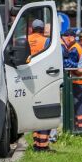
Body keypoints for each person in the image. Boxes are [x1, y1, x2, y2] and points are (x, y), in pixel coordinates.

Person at [28, 18, 52, 151]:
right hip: (43, 78)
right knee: (45, 110)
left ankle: (36, 142)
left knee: (34, 111)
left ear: (32, 29)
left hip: (28, 80)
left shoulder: (25, 39)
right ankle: (43, 145)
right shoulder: (46, 41)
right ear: (43, 30)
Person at [61, 29, 82, 133]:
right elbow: (75, 65)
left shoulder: (74, 48)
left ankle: (81, 129)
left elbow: (73, 65)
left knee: (80, 106)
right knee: (81, 106)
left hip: (79, 81)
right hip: (79, 81)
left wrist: (79, 69)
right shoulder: (76, 48)